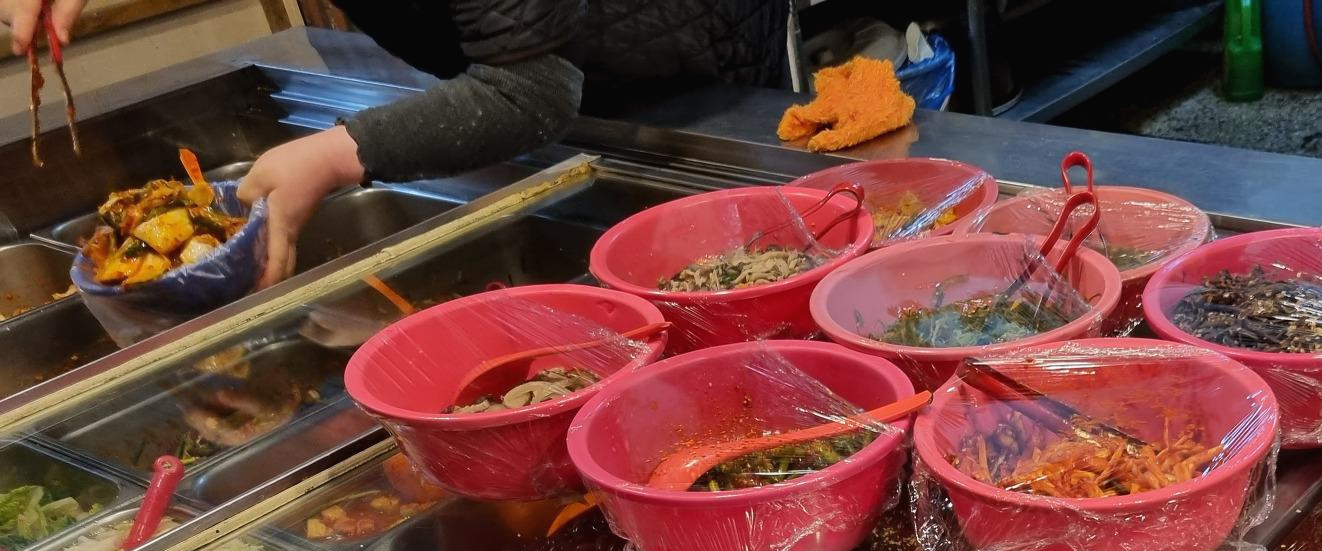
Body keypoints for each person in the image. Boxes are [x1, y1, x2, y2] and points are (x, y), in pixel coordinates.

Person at [10, 0, 788, 287]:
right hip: (538, 61)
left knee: (725, 266)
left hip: (672, 59)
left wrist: (332, 156)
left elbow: (533, 90)